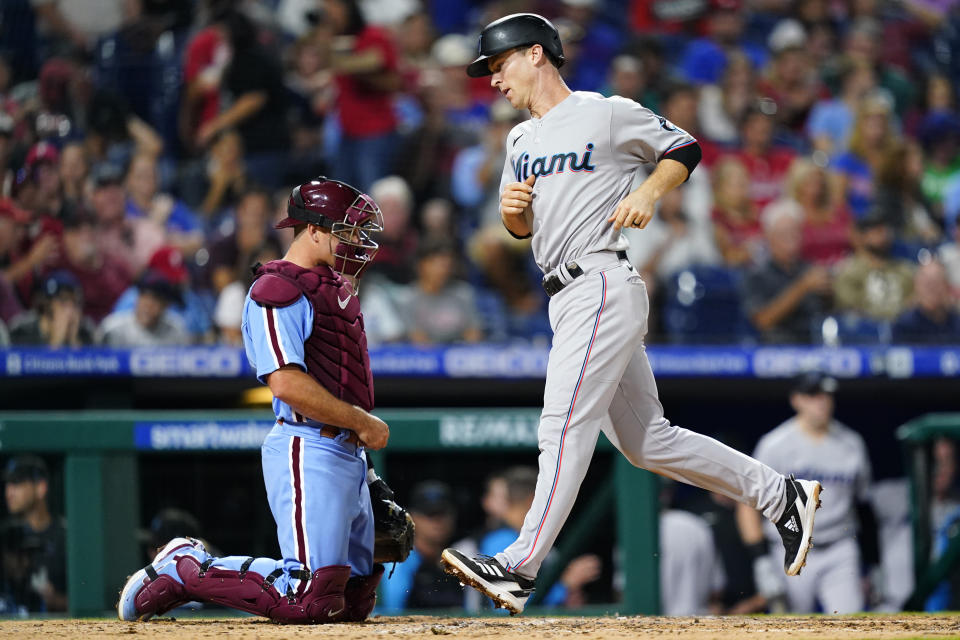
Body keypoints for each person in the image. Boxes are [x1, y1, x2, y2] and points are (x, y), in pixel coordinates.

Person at [440, 13, 823, 616]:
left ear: (536, 54)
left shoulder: (604, 111)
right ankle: (782, 495)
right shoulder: (519, 140)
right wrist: (514, 211)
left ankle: (519, 565)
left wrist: (646, 192)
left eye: (499, 63)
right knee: (648, 443)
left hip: (600, 280)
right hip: (561, 292)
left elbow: (683, 147)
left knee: (562, 424)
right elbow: (522, 230)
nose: (492, 79)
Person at [118, 177, 392, 623]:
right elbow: (285, 383)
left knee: (353, 600)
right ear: (315, 230)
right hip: (309, 445)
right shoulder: (276, 290)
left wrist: (359, 446)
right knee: (310, 597)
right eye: (348, 231)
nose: (357, 242)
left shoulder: (331, 289)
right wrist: (361, 421)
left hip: (348, 452)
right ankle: (185, 567)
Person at [736, 372, 878, 614]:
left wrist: (874, 562)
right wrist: (760, 560)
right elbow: (748, 505)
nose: (822, 401)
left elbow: (863, 505)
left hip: (839, 547)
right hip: (789, 546)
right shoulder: (775, 445)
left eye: (826, 395)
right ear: (796, 400)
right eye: (813, 395)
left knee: (850, 625)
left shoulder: (851, 444)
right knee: (790, 628)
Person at [379, 481, 465, 612]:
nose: (437, 521)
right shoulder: (399, 563)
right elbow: (391, 614)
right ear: (412, 517)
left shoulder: (462, 560)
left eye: (442, 513)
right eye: (429, 514)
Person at [1, 456, 68, 613]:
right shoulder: (5, 537)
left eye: (16, 483)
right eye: (7, 485)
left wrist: (54, 600)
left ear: (40, 487)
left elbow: (92, 603)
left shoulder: (65, 538)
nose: (8, 493)